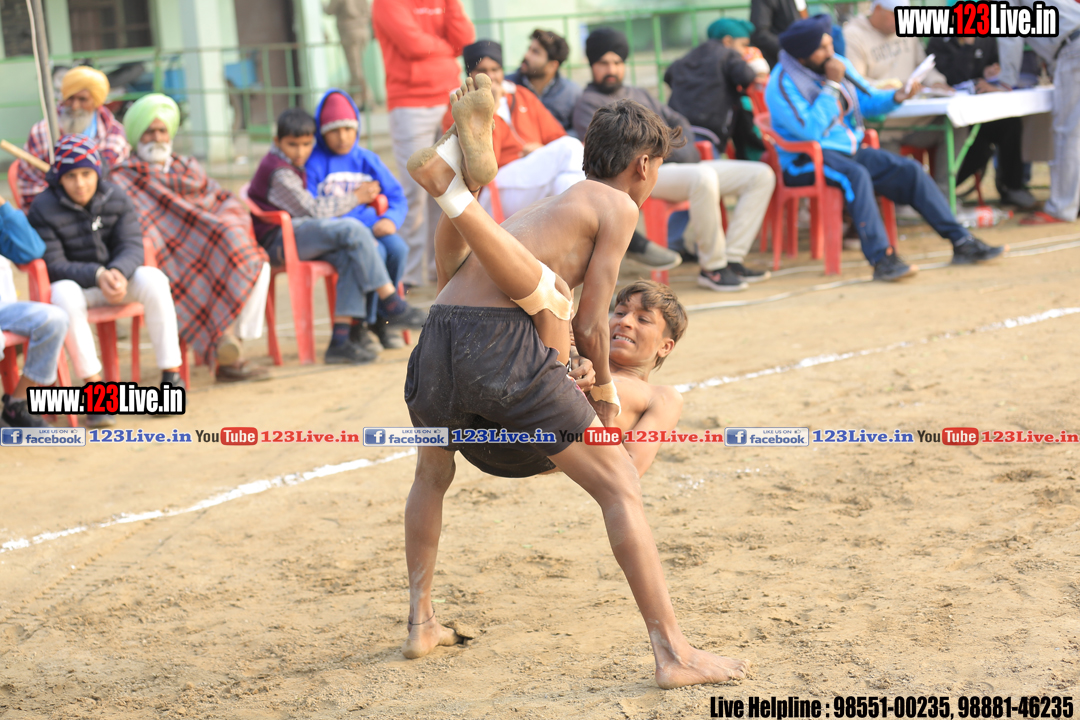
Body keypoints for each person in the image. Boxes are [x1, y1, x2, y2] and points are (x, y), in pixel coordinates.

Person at [402, 77, 749, 686]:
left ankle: (420, 622)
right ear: (644, 166)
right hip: (498, 346)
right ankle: (672, 653)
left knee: (431, 476)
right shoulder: (617, 205)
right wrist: (606, 395)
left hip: (436, 338)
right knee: (620, 487)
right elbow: (591, 321)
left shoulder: (540, 210)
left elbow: (461, 276)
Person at [766, 15, 1004, 281]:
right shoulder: (782, 83)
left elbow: (866, 101)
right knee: (856, 176)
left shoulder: (837, 65)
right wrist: (832, 86)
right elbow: (810, 131)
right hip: (805, 160)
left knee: (910, 171)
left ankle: (962, 242)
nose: (831, 52)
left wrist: (896, 96)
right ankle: (883, 260)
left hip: (848, 151)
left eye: (830, 43)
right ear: (802, 56)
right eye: (822, 48)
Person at [573, 28, 776, 290]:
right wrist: (665, 147)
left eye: (617, 62)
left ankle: (732, 258)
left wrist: (660, 147)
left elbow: (678, 122)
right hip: (639, 176)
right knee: (703, 176)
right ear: (592, 65)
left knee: (761, 175)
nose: (611, 69)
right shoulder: (588, 103)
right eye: (604, 63)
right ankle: (713, 268)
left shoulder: (640, 93)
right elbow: (619, 152)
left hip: (676, 165)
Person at [111, 94, 271, 382]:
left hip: (212, 242)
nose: (156, 138)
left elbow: (221, 198)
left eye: (162, 131)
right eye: (148, 131)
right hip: (168, 255)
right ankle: (227, 352)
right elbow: (135, 224)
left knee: (257, 263)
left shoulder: (187, 166)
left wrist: (225, 224)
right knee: (223, 247)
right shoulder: (123, 177)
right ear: (136, 136)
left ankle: (233, 340)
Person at [249, 107, 427, 364]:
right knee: (352, 229)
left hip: (302, 234)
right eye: (292, 145)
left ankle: (340, 340)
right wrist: (356, 197)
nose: (300, 152)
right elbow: (313, 210)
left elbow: (395, 195)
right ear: (277, 142)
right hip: (279, 241)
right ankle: (391, 303)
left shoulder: (301, 162)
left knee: (349, 255)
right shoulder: (279, 171)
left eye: (306, 144)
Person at [27, 136, 183, 427]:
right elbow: (54, 264)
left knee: (155, 279)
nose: (80, 183)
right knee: (63, 294)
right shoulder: (42, 208)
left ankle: (171, 376)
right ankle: (94, 388)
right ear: (59, 178)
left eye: (86, 174)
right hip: (79, 286)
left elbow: (133, 245)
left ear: (97, 173)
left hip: (117, 280)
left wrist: (118, 272)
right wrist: (98, 275)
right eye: (71, 176)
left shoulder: (116, 196)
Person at [304, 90, 424, 349]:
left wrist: (390, 220)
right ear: (321, 133)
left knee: (398, 249)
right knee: (375, 253)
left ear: (357, 128)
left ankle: (383, 321)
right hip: (340, 232)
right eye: (334, 131)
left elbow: (396, 196)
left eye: (348, 129)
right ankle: (361, 325)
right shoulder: (314, 163)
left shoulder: (367, 159)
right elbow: (310, 206)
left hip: (372, 226)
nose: (342, 137)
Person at [372, 0, 475, 288]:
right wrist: (446, 48)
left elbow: (464, 39)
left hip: (450, 98)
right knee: (414, 189)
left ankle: (439, 268)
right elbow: (413, 45)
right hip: (410, 103)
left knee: (448, 185)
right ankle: (410, 275)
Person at [444, 40, 587, 220]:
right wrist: (491, 108)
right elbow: (483, 167)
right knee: (571, 147)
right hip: (492, 190)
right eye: (482, 71)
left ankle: (576, 229)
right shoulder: (458, 107)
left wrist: (541, 151)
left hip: (532, 182)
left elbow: (557, 136)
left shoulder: (521, 95)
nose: (490, 77)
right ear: (470, 75)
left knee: (565, 181)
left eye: (495, 69)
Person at [927, 35, 1038, 209]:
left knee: (1010, 123)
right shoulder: (938, 42)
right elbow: (952, 77)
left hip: (980, 110)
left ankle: (1012, 187)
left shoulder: (986, 38)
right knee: (978, 149)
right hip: (952, 116)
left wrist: (992, 73)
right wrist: (968, 46)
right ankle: (936, 191)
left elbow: (993, 64)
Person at [1000, 0, 1080, 224]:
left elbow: (1011, 33)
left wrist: (1005, 81)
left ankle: (1061, 208)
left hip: (1073, 47)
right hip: (1072, 42)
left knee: (1068, 135)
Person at [0, 194, 69, 429]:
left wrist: (4, 208)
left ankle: (16, 405)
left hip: (4, 307)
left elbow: (32, 251)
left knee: (54, 319)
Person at [17, 66, 131, 207]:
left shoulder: (114, 134)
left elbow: (118, 185)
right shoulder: (41, 133)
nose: (75, 106)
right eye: (70, 98)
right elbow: (30, 185)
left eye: (83, 99)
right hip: (54, 210)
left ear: (96, 102)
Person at [665, 19, 765, 155]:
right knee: (709, 163)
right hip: (708, 128)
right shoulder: (728, 54)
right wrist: (756, 69)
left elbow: (668, 75)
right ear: (728, 41)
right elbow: (745, 76)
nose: (744, 51)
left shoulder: (692, 54)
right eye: (743, 45)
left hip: (677, 125)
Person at [505, 28, 583, 133]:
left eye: (535, 52)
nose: (526, 55)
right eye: (529, 49)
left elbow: (578, 132)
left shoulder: (571, 93)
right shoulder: (507, 87)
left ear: (552, 66)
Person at [324, 0, 371, 107]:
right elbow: (368, 11)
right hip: (363, 31)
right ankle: (358, 98)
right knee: (358, 68)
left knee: (355, 70)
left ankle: (365, 99)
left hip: (350, 33)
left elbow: (329, 11)